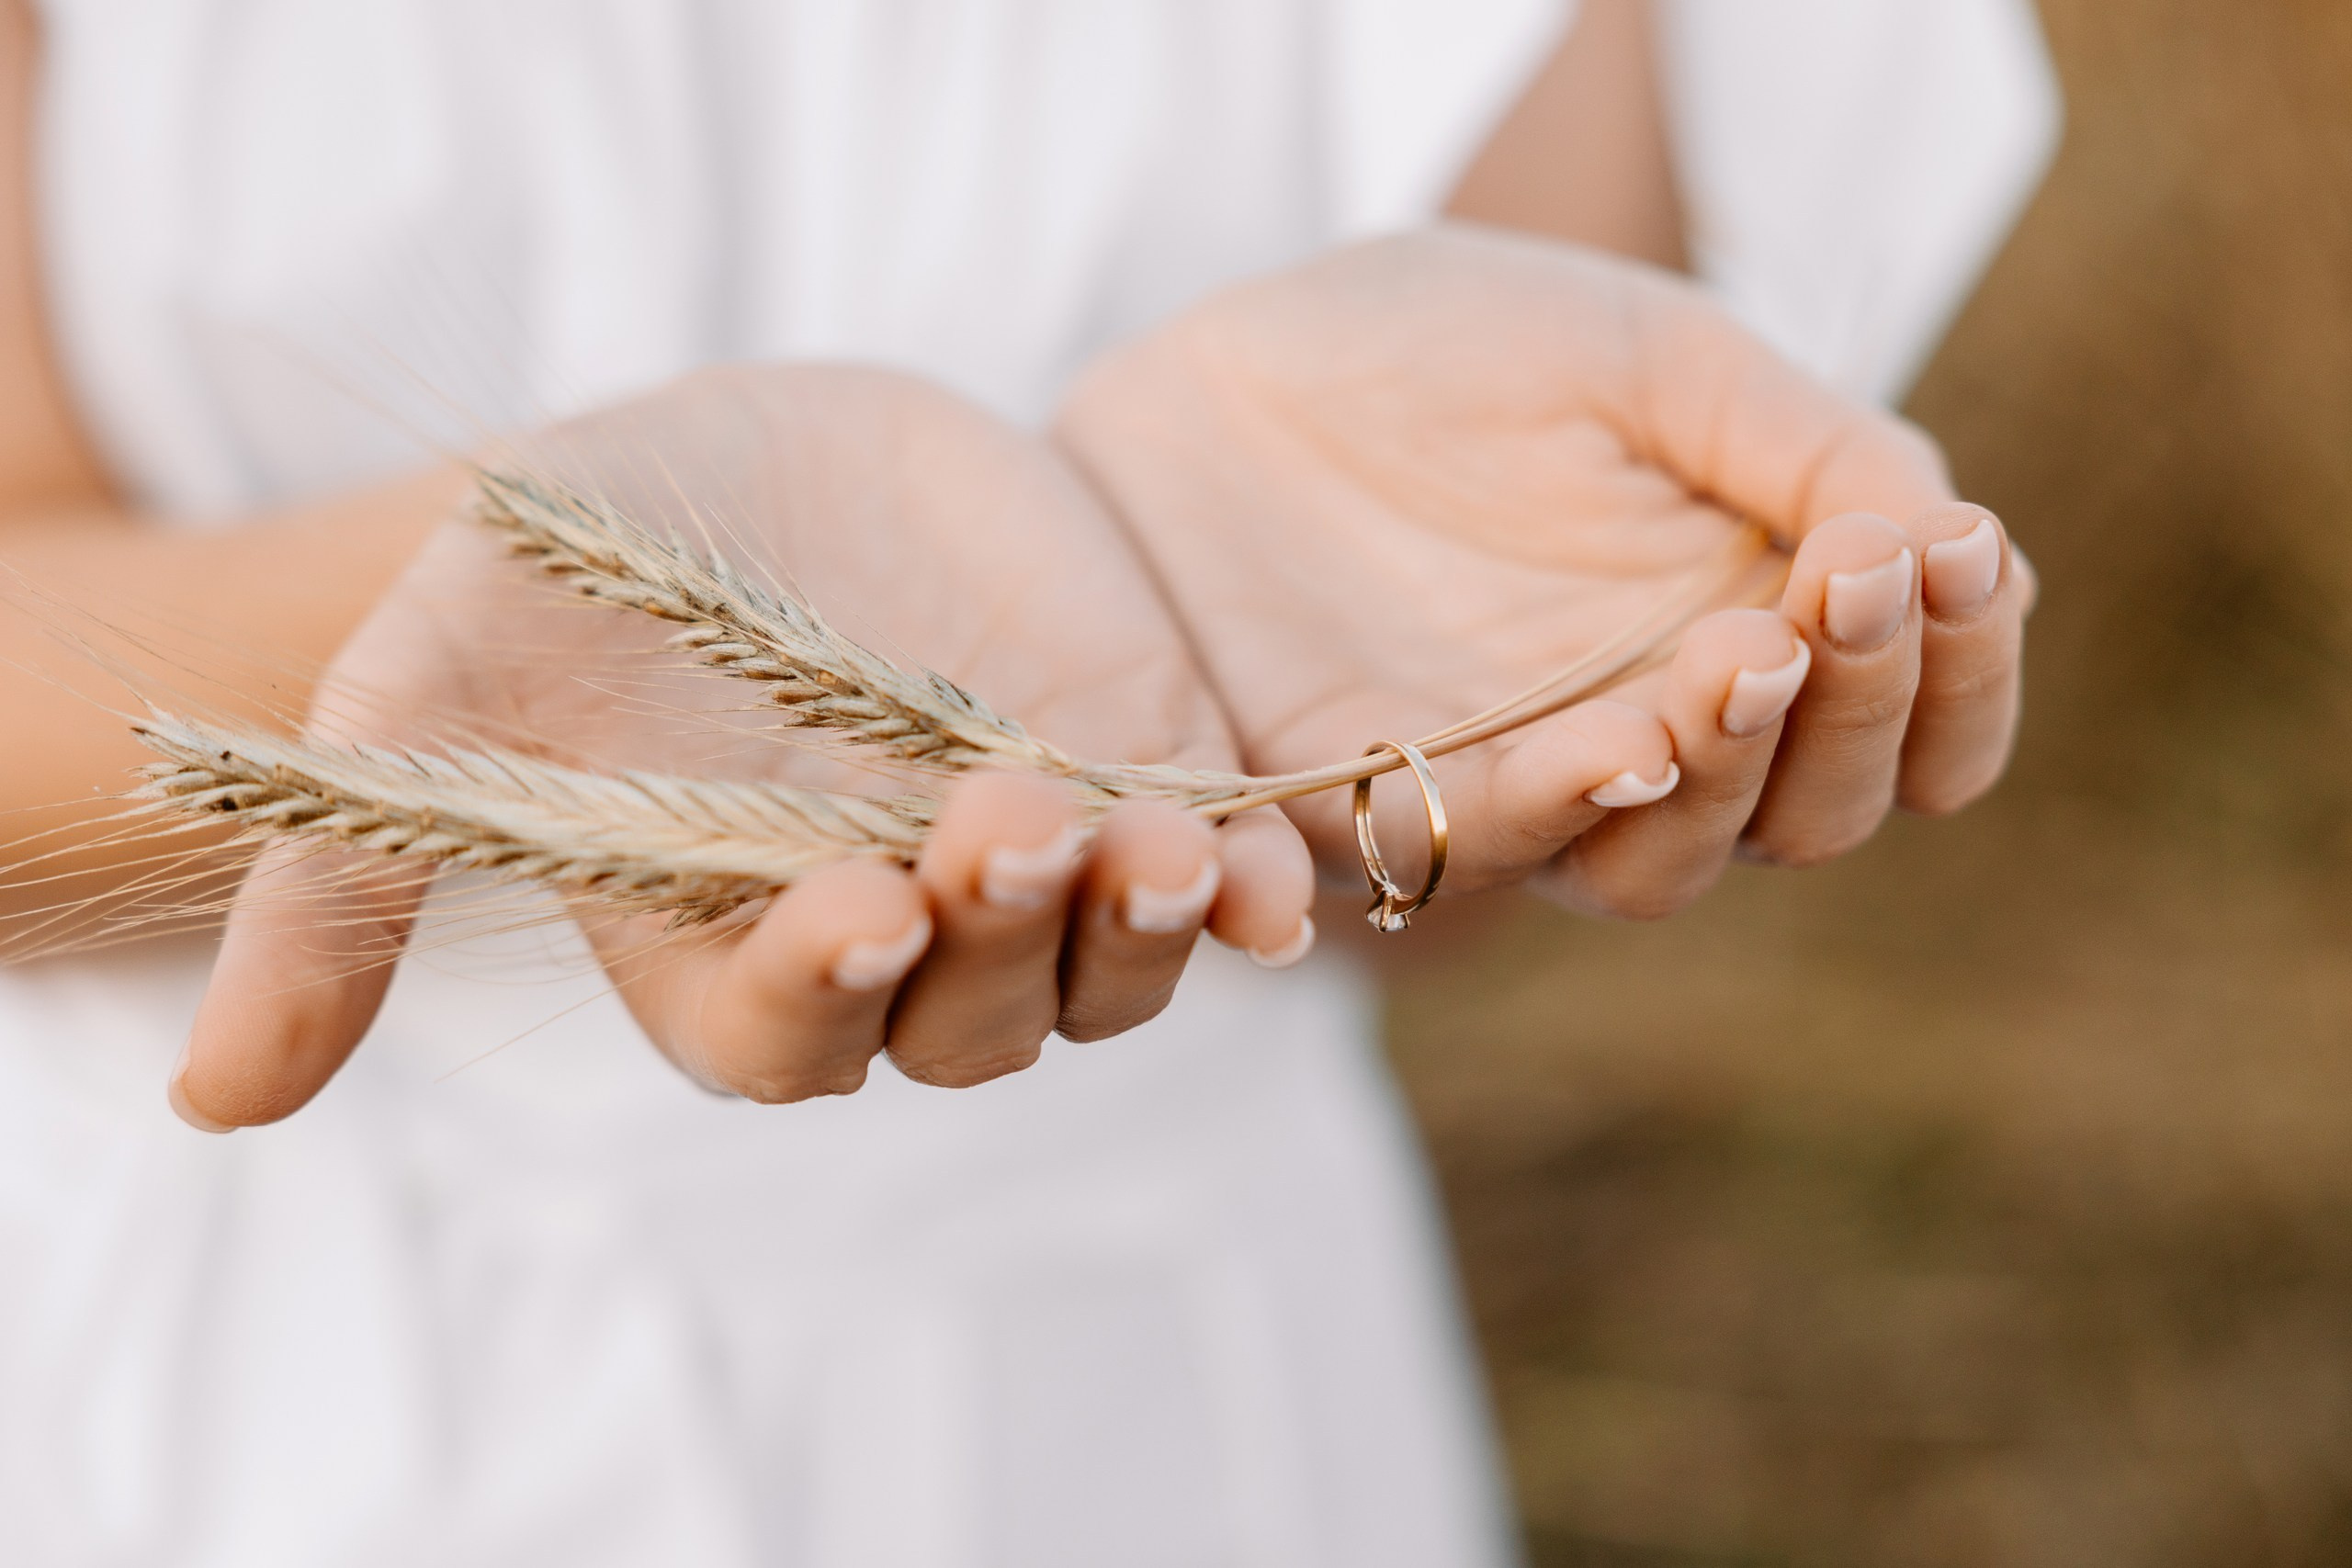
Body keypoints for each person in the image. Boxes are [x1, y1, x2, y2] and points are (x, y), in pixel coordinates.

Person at [0, 2, 2058, 1562]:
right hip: (238, 1403)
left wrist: (1399, 739)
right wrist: (576, 627)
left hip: (1160, 1388)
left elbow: (1445, 863)